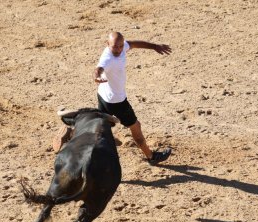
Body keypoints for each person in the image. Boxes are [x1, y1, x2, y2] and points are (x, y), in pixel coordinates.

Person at [53, 31, 172, 165]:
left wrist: (154, 46)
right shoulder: (108, 58)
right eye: (115, 46)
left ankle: (71, 133)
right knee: (136, 127)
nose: (119, 49)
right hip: (117, 101)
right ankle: (151, 156)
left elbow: (133, 44)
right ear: (107, 44)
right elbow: (98, 68)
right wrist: (96, 76)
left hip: (103, 96)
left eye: (121, 46)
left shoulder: (120, 48)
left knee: (100, 128)